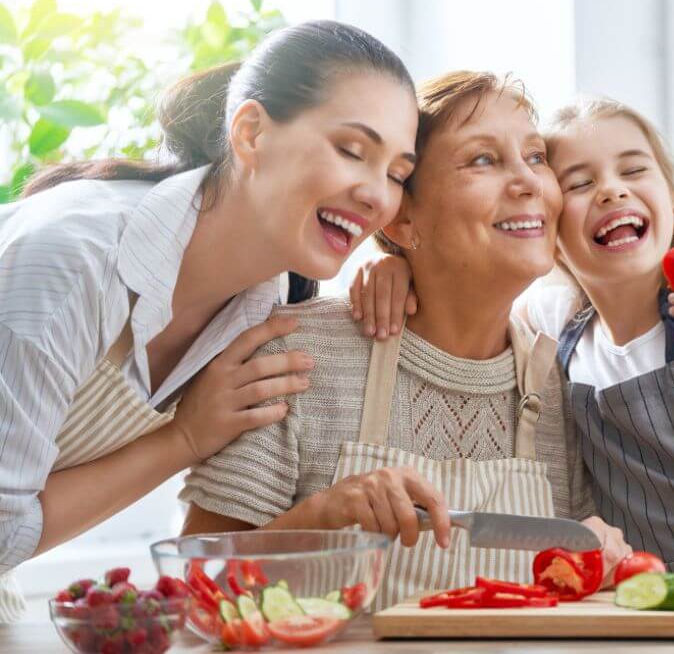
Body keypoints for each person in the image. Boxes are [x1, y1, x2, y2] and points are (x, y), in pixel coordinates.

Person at [0, 20, 418, 620]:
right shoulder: (69, 261)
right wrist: (185, 439)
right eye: (353, 150)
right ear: (250, 133)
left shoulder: (270, 301)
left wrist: (402, 268)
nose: (378, 195)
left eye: (398, 175)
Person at [180, 72, 629, 611]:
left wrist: (601, 556)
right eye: (482, 160)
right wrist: (323, 517)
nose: (530, 182)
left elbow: (562, 597)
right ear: (401, 216)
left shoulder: (554, 381)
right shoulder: (298, 355)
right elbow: (196, 586)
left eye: (535, 157)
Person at [353, 97, 674, 574]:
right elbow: (466, 293)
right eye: (580, 183)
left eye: (633, 171)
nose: (612, 192)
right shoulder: (553, 323)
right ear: (551, 233)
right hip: (653, 599)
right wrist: (397, 264)